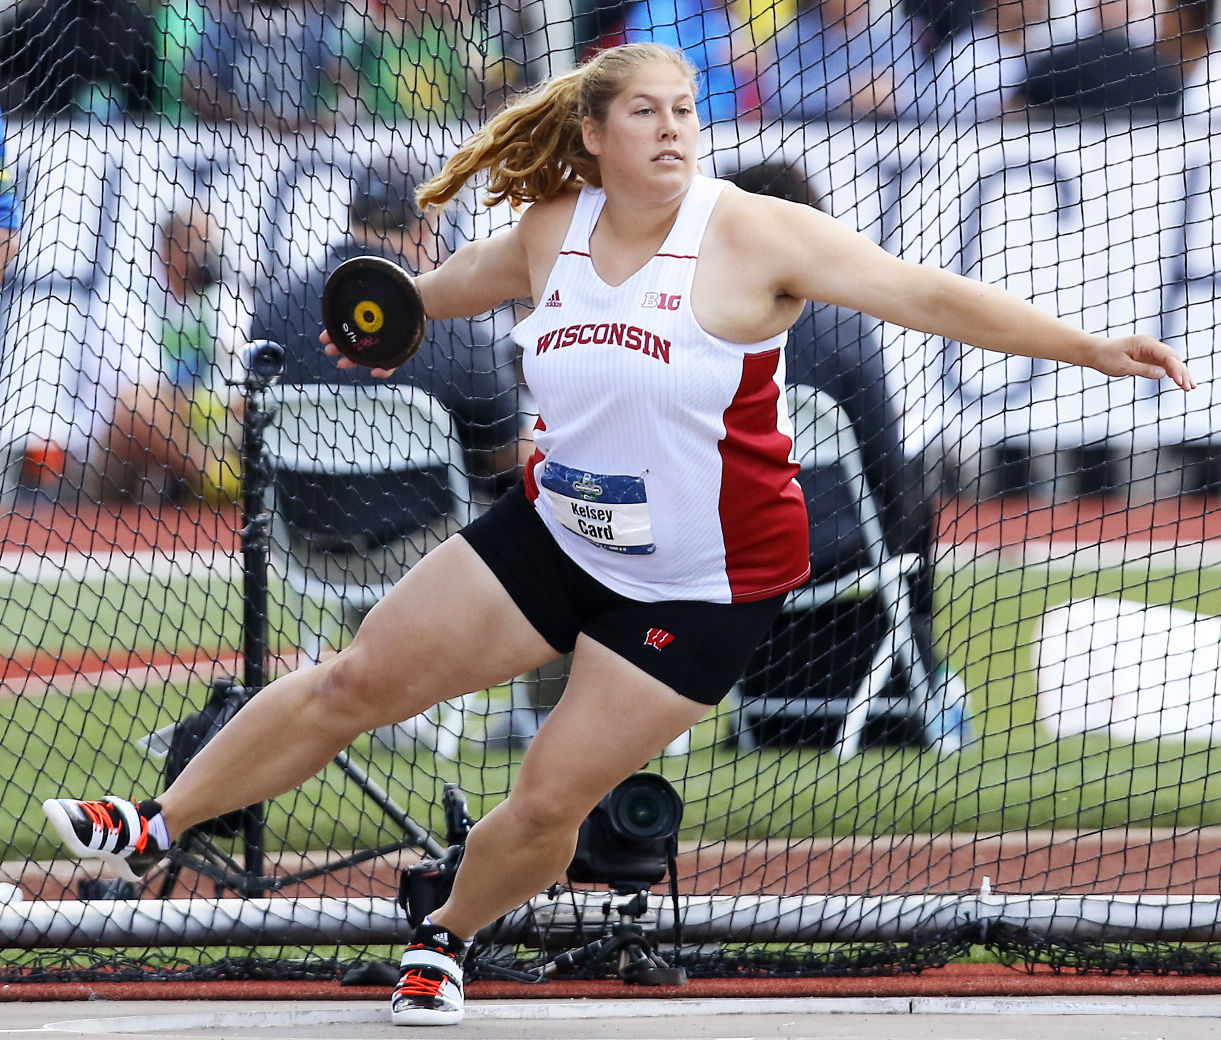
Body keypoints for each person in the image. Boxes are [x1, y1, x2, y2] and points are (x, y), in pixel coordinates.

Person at [41, 42, 1194, 1028]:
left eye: (686, 110)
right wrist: (374, 312)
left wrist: (1088, 347)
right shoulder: (555, 228)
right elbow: (436, 293)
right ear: (592, 132)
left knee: (548, 797)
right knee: (352, 679)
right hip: (559, 531)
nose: (673, 129)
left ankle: (447, 933)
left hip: (703, 582)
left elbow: (927, 293)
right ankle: (156, 822)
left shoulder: (755, 235)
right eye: (645, 110)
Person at [249, 160, 524, 499]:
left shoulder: (276, 310)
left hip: (298, 539)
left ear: (352, 215)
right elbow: (510, 453)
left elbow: (248, 422)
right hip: (429, 540)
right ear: (426, 227)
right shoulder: (453, 330)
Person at [89, 202, 249, 505]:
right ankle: (214, 474)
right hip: (137, 443)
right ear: (168, 248)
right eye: (199, 243)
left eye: (212, 243)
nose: (208, 253)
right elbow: (139, 395)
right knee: (138, 407)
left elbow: (240, 377)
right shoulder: (126, 300)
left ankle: (223, 482)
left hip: (216, 427)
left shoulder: (227, 299)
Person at [182, 0, 348, 135]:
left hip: (297, 143)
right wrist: (252, 117)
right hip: (236, 141)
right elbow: (193, 86)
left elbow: (349, 85)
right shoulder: (226, 24)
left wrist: (322, 119)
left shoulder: (310, 26)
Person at [760, 0, 931, 121]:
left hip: (887, 140)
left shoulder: (893, 35)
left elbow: (920, 94)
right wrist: (845, 95)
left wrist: (889, 95)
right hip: (814, 142)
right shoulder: (794, 38)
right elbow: (779, 98)